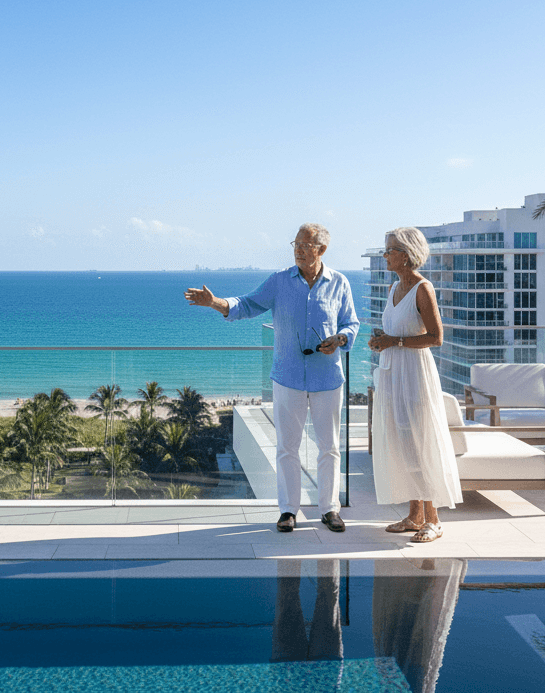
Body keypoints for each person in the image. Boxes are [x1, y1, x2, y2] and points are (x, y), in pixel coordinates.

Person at [186, 223, 359, 533]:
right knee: (287, 447)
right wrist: (214, 302)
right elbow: (247, 304)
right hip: (288, 378)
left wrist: (340, 340)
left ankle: (329, 509)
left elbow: (351, 324)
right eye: (296, 243)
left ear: (321, 249)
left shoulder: (339, 283)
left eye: (305, 244)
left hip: (327, 379)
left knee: (329, 447)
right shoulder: (280, 281)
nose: (298, 249)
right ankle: (288, 511)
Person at [368, 227, 461, 543]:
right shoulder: (394, 287)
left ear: (406, 254)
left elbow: (436, 337)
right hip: (392, 372)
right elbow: (394, 331)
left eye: (390, 249)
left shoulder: (423, 289)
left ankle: (433, 519)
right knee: (402, 442)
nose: (385, 255)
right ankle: (414, 515)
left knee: (421, 441)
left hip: (415, 374)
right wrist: (382, 341)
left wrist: (394, 340)